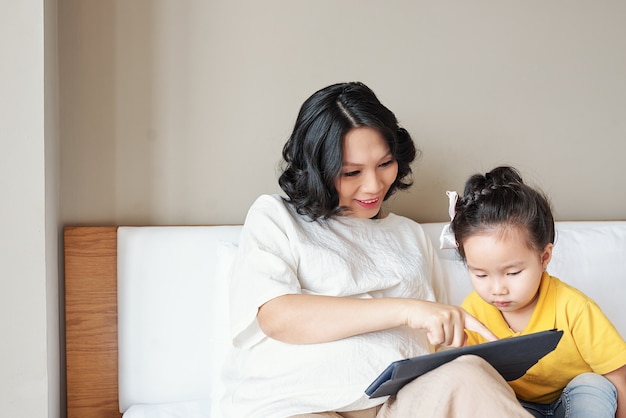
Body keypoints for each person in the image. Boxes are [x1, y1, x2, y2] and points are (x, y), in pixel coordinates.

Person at [221, 82, 533, 418]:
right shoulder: (275, 216)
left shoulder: (409, 235)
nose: (374, 186)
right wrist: (406, 310)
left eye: (384, 164)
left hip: (399, 406)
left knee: (469, 374)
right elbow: (278, 316)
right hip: (298, 405)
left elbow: (435, 340)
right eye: (351, 172)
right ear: (317, 170)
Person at [446, 165, 626, 418]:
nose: (498, 289)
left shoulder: (573, 307)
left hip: (574, 399)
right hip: (518, 407)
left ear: (544, 257)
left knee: (594, 385)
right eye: (481, 274)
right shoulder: (473, 311)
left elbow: (617, 373)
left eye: (513, 273)